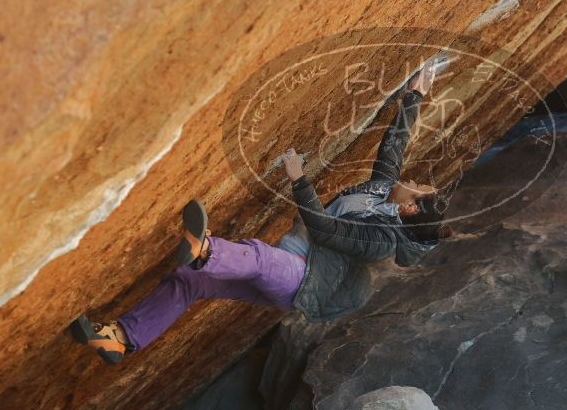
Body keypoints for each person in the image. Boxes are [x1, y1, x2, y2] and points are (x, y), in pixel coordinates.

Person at [70, 60, 450, 365]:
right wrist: (414, 95)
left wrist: (298, 179)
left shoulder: (381, 243)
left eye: (419, 187)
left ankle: (208, 251)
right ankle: (120, 338)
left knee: (257, 260)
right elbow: (394, 147)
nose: (413, 179)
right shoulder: (384, 191)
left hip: (302, 280)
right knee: (190, 281)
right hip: (294, 263)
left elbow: (324, 232)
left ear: (411, 206)